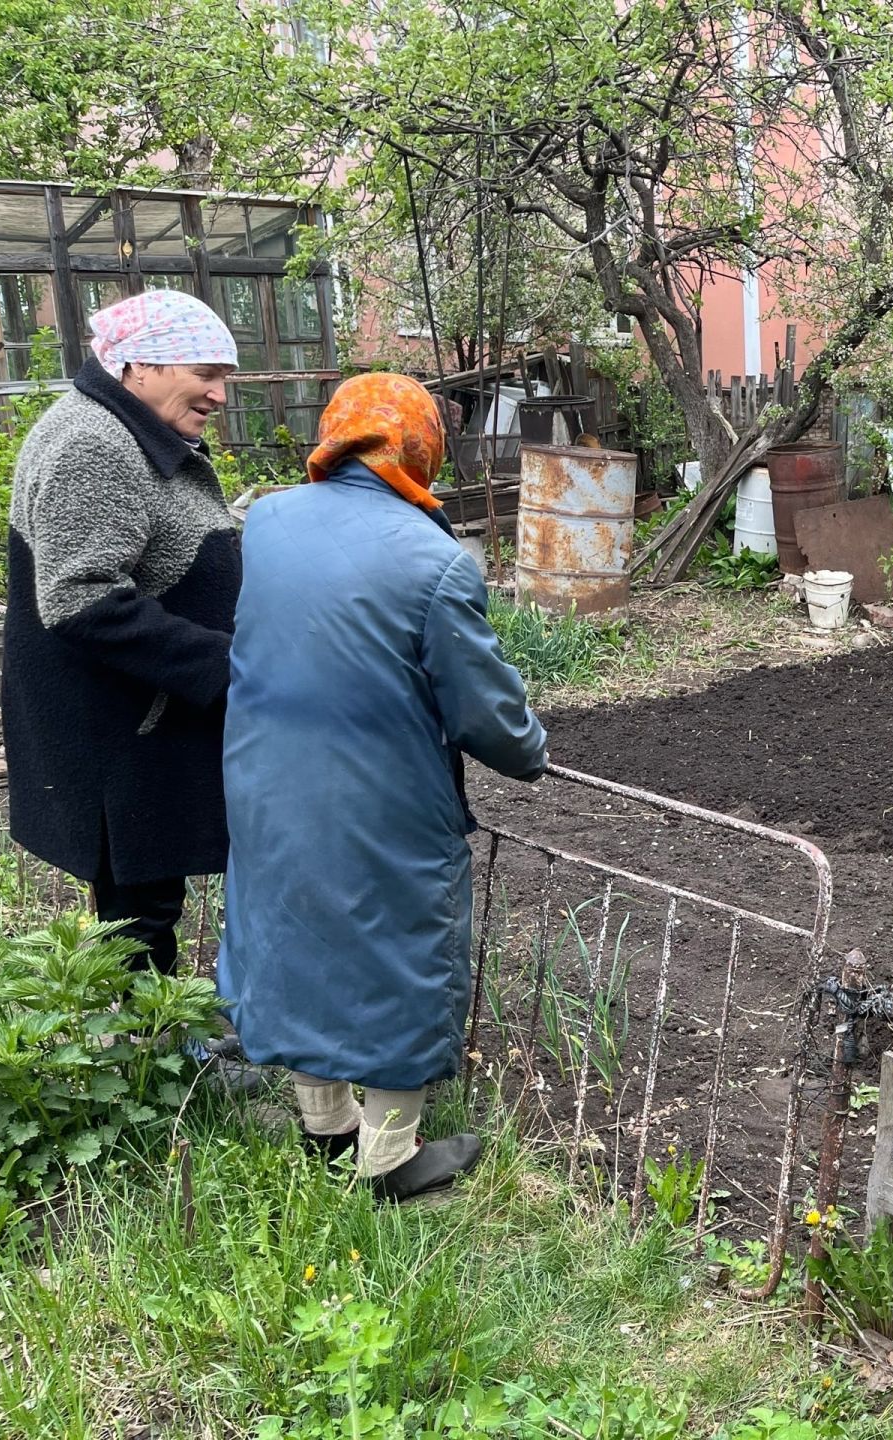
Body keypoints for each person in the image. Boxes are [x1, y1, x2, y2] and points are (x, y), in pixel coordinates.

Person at [217, 372, 547, 1203]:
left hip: (265, 779)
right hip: (379, 799)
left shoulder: (270, 522)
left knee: (292, 936)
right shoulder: (433, 561)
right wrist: (529, 748)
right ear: (420, 444)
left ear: (338, 434)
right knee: (400, 956)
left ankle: (325, 1128)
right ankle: (390, 1159)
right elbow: (482, 710)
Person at [4, 290, 241, 975]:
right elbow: (81, 598)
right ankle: (145, 1039)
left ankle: (148, 1028)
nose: (219, 394)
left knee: (142, 905)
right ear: (138, 366)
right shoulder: (94, 444)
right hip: (120, 734)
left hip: (134, 723)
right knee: (140, 915)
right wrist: (229, 666)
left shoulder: (122, 428)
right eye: (205, 373)